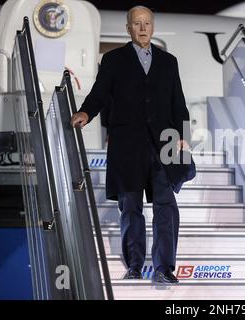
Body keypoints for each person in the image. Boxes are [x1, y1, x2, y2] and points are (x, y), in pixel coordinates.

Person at [70, 5, 191, 284]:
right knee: (131, 207)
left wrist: (183, 134)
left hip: (163, 145)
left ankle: (163, 268)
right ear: (128, 28)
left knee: (166, 206)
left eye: (147, 23)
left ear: (153, 26)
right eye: (137, 23)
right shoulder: (113, 60)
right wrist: (86, 113)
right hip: (127, 147)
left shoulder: (169, 61)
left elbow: (178, 103)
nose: (143, 28)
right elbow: (99, 93)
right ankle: (134, 265)